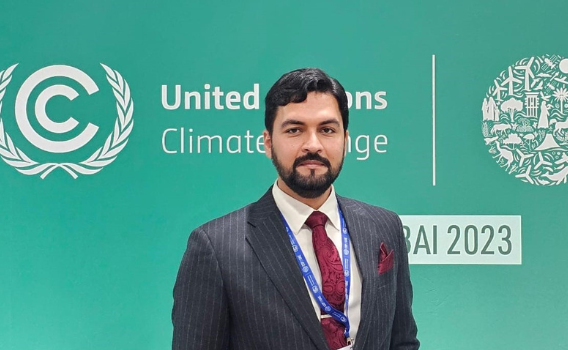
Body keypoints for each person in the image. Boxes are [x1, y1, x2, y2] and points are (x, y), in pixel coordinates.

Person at [172, 68, 419, 350]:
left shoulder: (384, 226)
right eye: (294, 130)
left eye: (327, 130)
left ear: (345, 141)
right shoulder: (216, 247)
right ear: (268, 143)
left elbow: (402, 342)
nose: (312, 145)